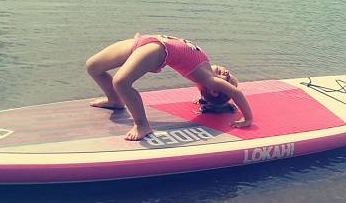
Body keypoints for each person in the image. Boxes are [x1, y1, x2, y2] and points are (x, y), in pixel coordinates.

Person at [86, 33, 253, 140]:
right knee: (93, 66)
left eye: (227, 79)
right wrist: (204, 99)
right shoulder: (204, 68)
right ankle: (115, 100)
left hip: (158, 50)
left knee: (121, 82)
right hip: (145, 41)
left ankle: (143, 125)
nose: (226, 72)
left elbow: (236, 93)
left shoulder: (209, 78)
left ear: (216, 89)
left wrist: (248, 119)